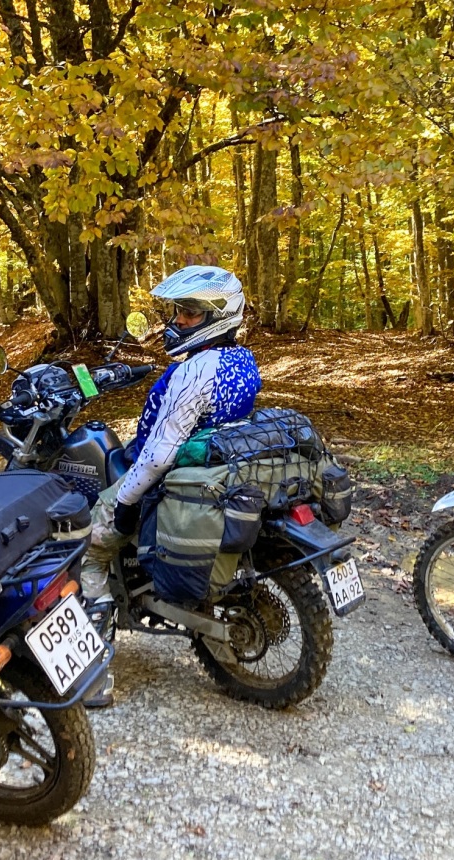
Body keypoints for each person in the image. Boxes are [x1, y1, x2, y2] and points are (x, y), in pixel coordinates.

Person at [79, 265, 262, 707]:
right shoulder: (241, 359)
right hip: (214, 468)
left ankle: (91, 672)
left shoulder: (193, 372)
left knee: (88, 549)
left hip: (167, 474)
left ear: (217, 317)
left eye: (190, 313)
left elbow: (159, 454)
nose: (178, 321)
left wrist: (126, 500)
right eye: (179, 311)